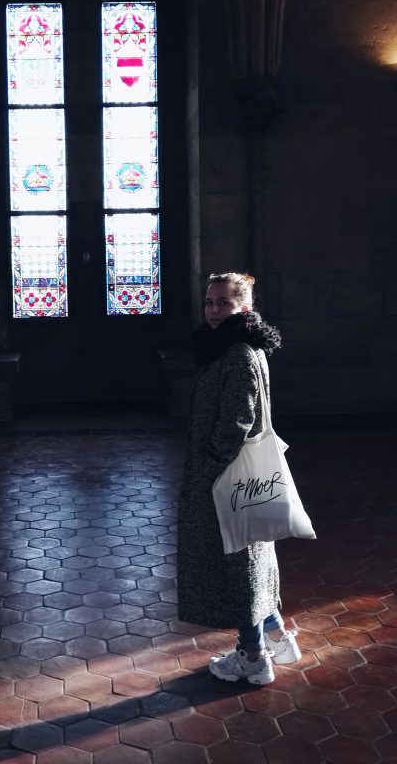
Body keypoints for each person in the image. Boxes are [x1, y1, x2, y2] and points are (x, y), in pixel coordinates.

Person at [177, 271, 301, 685]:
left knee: (238, 564)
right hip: (235, 474)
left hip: (228, 477)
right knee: (251, 558)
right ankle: (278, 637)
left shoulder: (238, 354)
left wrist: (212, 468)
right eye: (209, 303)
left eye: (223, 303)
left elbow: (237, 421)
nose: (213, 310)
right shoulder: (235, 347)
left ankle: (253, 657)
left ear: (243, 307)